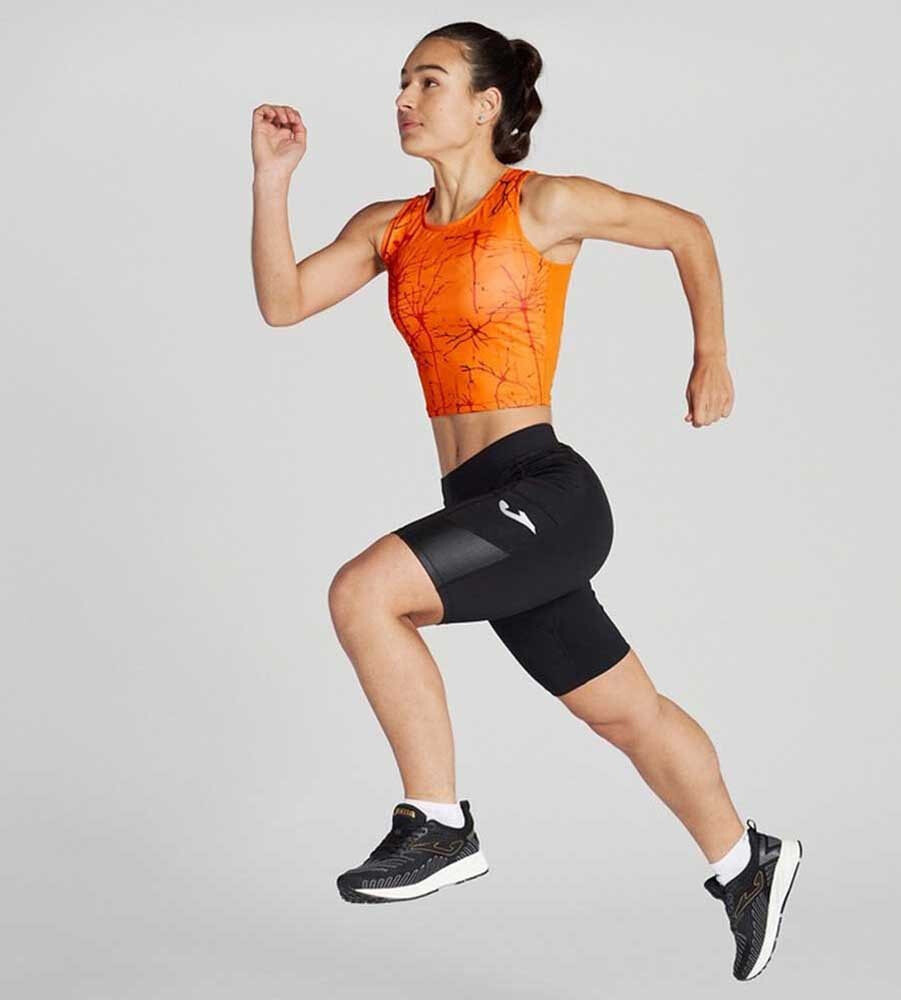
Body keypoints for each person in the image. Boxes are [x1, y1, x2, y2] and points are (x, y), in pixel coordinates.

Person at [250, 20, 801, 982]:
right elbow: (284, 302)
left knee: (363, 594)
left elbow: (687, 231)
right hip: (482, 506)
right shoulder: (391, 228)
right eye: (402, 82)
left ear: (486, 104)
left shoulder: (541, 204)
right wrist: (272, 181)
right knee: (625, 712)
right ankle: (745, 861)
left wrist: (711, 356)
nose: (405, 99)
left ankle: (438, 822)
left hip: (545, 492)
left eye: (429, 82)